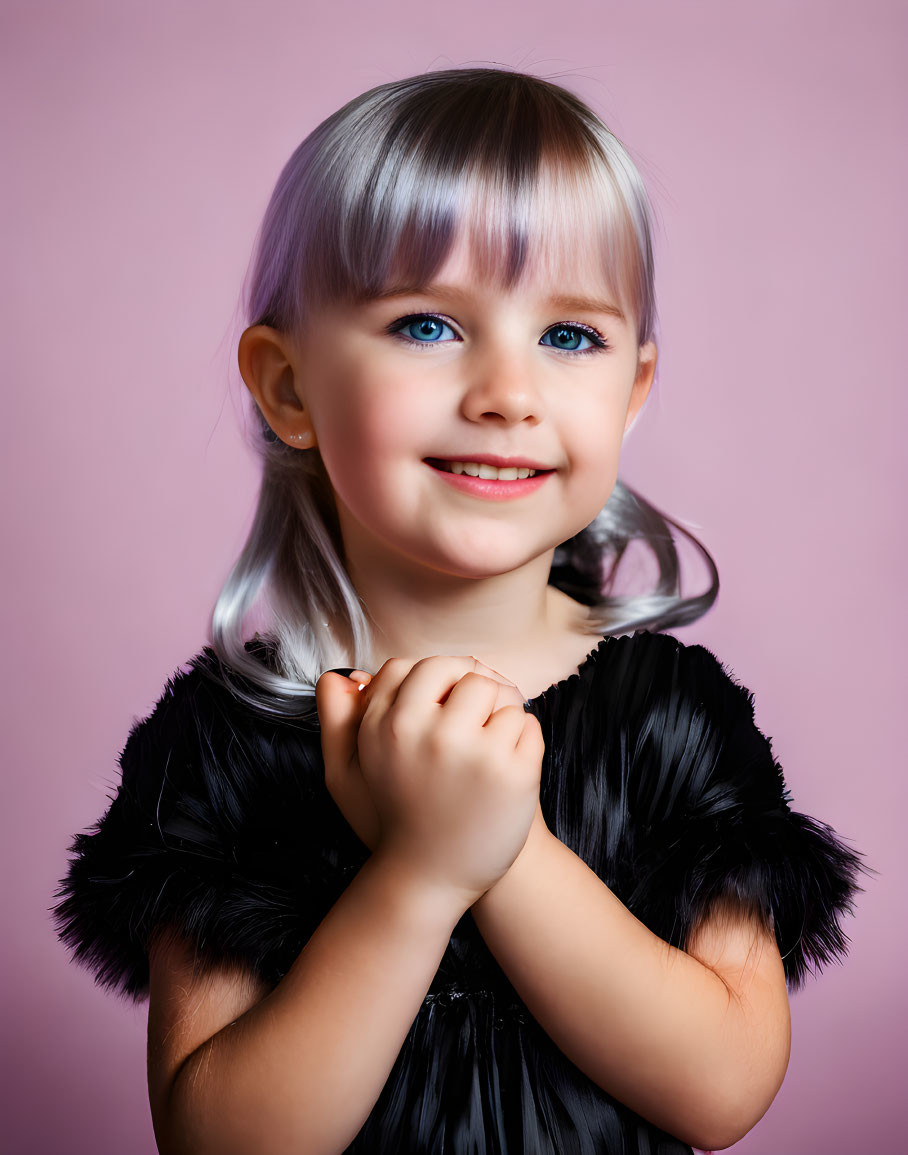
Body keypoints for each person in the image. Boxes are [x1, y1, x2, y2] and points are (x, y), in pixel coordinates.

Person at [51, 67, 867, 1155]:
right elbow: (224, 1141)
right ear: (289, 388)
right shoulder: (225, 739)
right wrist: (419, 872)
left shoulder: (671, 716)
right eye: (428, 324)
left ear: (631, 392)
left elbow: (719, 1090)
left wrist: (503, 846)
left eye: (568, 338)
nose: (506, 392)